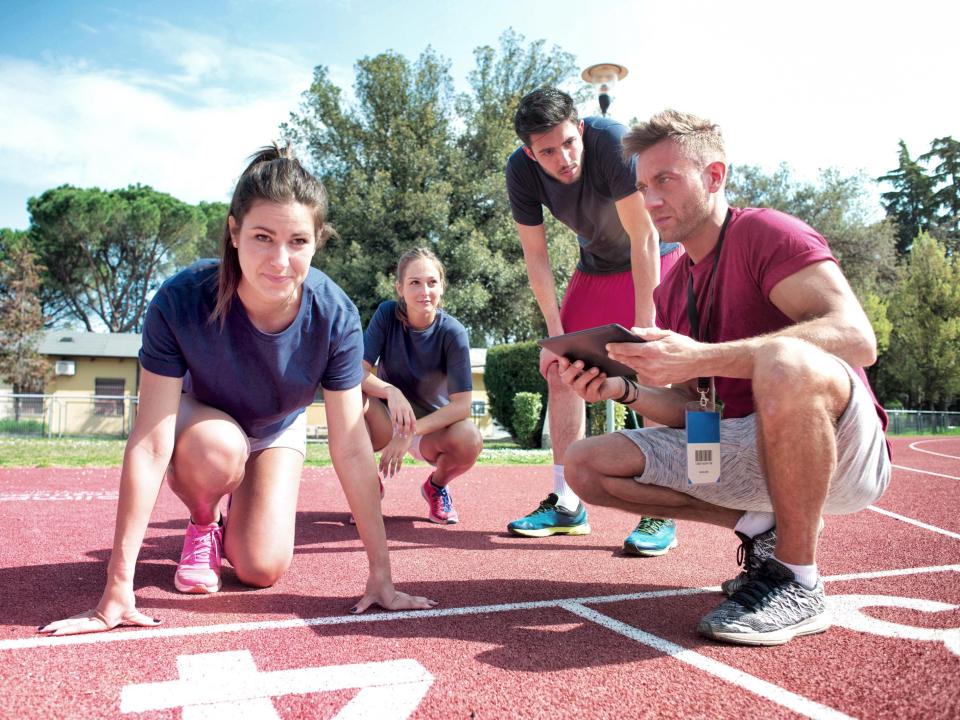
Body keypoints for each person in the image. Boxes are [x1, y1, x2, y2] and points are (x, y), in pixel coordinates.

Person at [39, 145, 436, 636]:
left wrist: (382, 577)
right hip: (202, 424)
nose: (280, 260)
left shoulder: (334, 315)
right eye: (262, 237)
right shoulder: (181, 300)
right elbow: (151, 441)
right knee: (220, 447)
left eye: (297, 241)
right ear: (234, 232)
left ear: (317, 242)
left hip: (277, 424)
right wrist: (118, 585)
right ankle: (204, 521)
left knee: (260, 568)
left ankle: (236, 525)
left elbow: (351, 447)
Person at [557, 109, 891, 646]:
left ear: (715, 177)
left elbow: (857, 339)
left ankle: (799, 581)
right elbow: (698, 410)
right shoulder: (671, 288)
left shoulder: (766, 233)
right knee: (584, 464)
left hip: (841, 448)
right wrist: (622, 388)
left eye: (665, 180)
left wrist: (703, 356)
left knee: (783, 359)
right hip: (742, 444)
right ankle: (761, 528)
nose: (650, 201)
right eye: (643, 187)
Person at [504, 86, 684, 555]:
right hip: (596, 268)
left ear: (580, 128)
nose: (563, 158)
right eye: (548, 151)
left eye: (568, 142)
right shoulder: (520, 172)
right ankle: (566, 505)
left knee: (654, 370)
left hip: (656, 260)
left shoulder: (611, 143)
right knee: (561, 369)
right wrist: (554, 331)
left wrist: (645, 322)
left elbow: (643, 235)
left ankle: (660, 506)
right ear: (530, 152)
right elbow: (536, 257)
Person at [361, 247, 482, 525]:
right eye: (414, 282)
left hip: (428, 430)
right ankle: (366, 485)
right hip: (386, 418)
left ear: (442, 287)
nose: (424, 291)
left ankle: (436, 487)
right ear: (400, 288)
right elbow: (357, 372)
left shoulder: (453, 332)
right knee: (350, 395)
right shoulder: (387, 314)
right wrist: (391, 391)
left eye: (432, 282)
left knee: (470, 438)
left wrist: (409, 433)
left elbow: (462, 405)